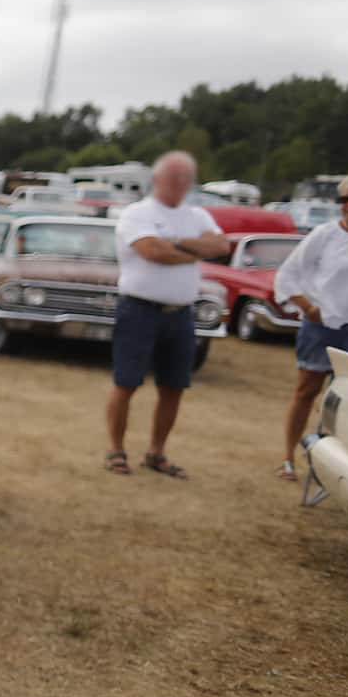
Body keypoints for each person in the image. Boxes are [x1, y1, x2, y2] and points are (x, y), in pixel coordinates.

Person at [103, 151, 231, 478]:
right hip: (139, 310)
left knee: (174, 386)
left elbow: (221, 247)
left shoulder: (198, 215)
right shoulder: (136, 213)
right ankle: (116, 449)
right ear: (157, 180)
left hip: (181, 314)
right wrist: (192, 249)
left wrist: (175, 243)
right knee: (126, 382)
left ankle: (156, 452)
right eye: (175, 178)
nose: (181, 185)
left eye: (186, 179)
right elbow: (152, 252)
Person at [272, 167, 348, 479]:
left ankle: (338, 467)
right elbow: (287, 275)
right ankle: (288, 458)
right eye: (344, 199)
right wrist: (309, 308)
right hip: (323, 327)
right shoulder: (324, 235)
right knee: (306, 392)